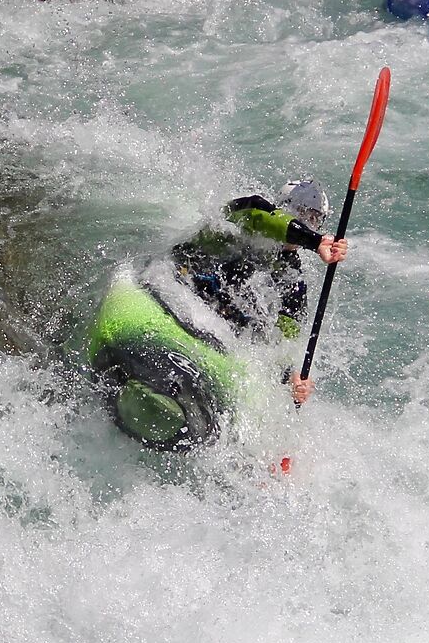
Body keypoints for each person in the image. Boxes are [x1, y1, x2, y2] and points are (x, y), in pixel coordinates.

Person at [88, 181, 350, 449]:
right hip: (168, 296)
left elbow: (282, 339)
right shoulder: (241, 221)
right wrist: (315, 241)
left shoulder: (292, 282)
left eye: (314, 220)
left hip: (211, 341)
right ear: (284, 209)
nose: (307, 222)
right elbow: (258, 214)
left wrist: (292, 378)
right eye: (301, 214)